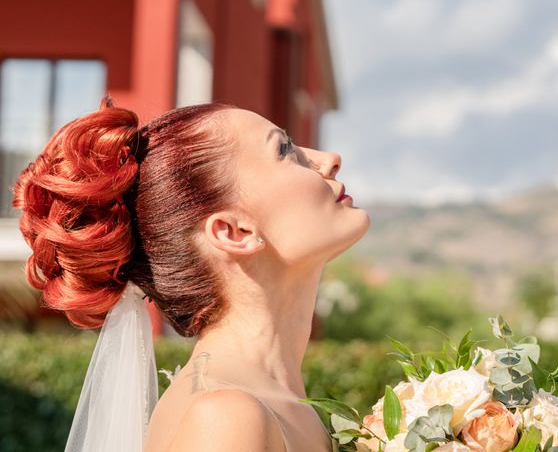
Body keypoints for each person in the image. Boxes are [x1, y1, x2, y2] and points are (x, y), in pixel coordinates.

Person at [12, 97, 371, 451]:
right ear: (234, 232)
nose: (329, 160)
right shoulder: (227, 418)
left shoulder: (276, 401)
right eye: (284, 149)